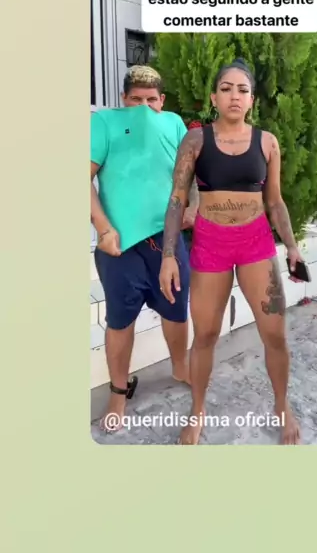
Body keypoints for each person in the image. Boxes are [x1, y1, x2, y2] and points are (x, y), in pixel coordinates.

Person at [159, 59, 303, 445]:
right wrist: (169, 254)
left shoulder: (267, 142)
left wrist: (292, 247)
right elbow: (176, 200)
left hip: (256, 244)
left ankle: (282, 405)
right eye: (226, 89)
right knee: (205, 334)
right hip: (211, 245)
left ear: (252, 100)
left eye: (242, 90)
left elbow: (275, 202)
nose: (234, 96)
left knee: (275, 335)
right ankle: (197, 409)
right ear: (214, 97)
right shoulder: (196, 141)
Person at [91, 65, 197, 430]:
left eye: (151, 100)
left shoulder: (174, 124)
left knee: (176, 310)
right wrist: (103, 228)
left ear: (162, 100)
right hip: (121, 245)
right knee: (120, 320)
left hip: (167, 240)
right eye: (135, 99)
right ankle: (118, 393)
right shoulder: (103, 123)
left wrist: (194, 207)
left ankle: (180, 367)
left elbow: (190, 174)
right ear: (123, 99)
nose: (143, 107)